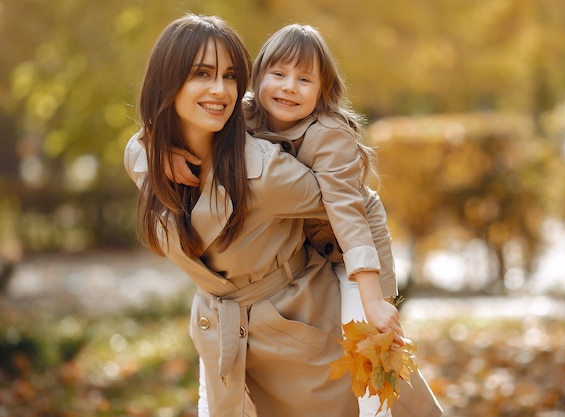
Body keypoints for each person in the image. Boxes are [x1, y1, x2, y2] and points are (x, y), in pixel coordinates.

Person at [170, 24, 442, 417]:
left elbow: (348, 213)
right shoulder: (241, 115)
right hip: (309, 245)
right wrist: (159, 148)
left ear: (322, 90)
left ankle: (378, 411)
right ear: (257, 77)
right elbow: (177, 124)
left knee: (369, 352)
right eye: (278, 74)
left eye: (304, 79)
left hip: (355, 254)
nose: (289, 87)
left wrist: (373, 299)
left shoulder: (329, 135)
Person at [124, 14, 361, 417]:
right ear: (168, 81)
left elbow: (360, 204)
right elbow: (138, 145)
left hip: (296, 333)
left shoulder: (266, 171)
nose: (220, 90)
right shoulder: (146, 159)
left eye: (230, 75)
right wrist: (153, 148)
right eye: (202, 73)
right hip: (220, 339)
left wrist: (371, 296)